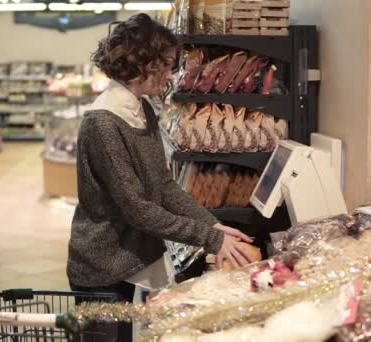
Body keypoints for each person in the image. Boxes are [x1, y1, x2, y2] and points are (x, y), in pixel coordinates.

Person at [67, 13, 255, 341]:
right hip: (103, 270)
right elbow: (138, 209)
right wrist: (211, 240)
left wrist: (211, 224)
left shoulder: (143, 110)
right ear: (142, 62)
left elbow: (164, 185)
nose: (170, 73)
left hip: (134, 260)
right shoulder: (104, 123)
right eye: (166, 64)